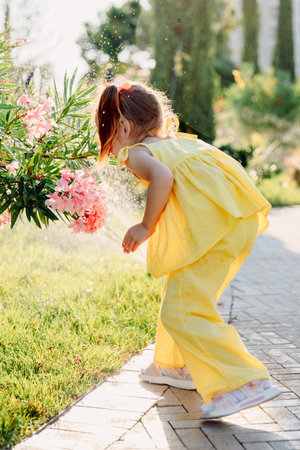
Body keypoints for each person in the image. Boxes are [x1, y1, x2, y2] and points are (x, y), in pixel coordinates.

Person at [95, 81, 281, 419]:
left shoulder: (138, 152)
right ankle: (172, 365)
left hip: (212, 230)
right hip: (233, 221)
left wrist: (145, 226)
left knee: (183, 311)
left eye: (110, 135)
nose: (115, 149)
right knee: (182, 296)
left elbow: (163, 178)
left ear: (122, 127)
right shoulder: (178, 144)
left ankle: (242, 382)